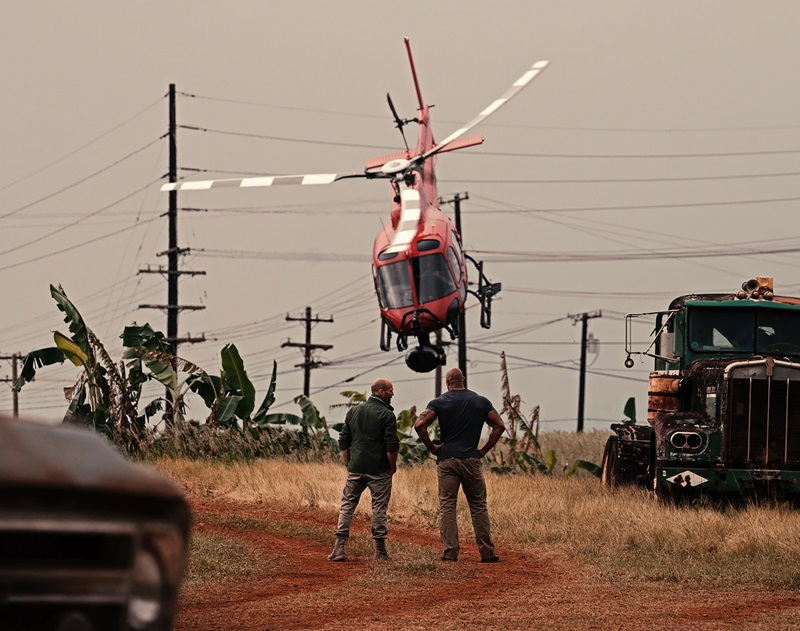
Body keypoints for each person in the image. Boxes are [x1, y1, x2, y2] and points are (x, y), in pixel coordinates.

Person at [414, 368, 505, 563]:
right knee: (479, 506)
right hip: (471, 459)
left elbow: (419, 425)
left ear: (448, 382)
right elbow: (500, 426)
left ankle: (450, 553)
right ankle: (487, 553)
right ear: (463, 380)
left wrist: (432, 447)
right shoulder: (481, 401)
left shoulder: (439, 402)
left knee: (447, 505)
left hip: (447, 460)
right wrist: (483, 450)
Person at [328, 378, 399, 561]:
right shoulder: (387, 415)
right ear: (381, 392)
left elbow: (344, 440)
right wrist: (392, 467)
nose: (392, 394)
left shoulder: (354, 411)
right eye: (390, 390)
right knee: (379, 508)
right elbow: (392, 446)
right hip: (379, 470)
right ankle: (380, 551)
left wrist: (348, 463)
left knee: (347, 505)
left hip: (356, 468)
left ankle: (339, 548)